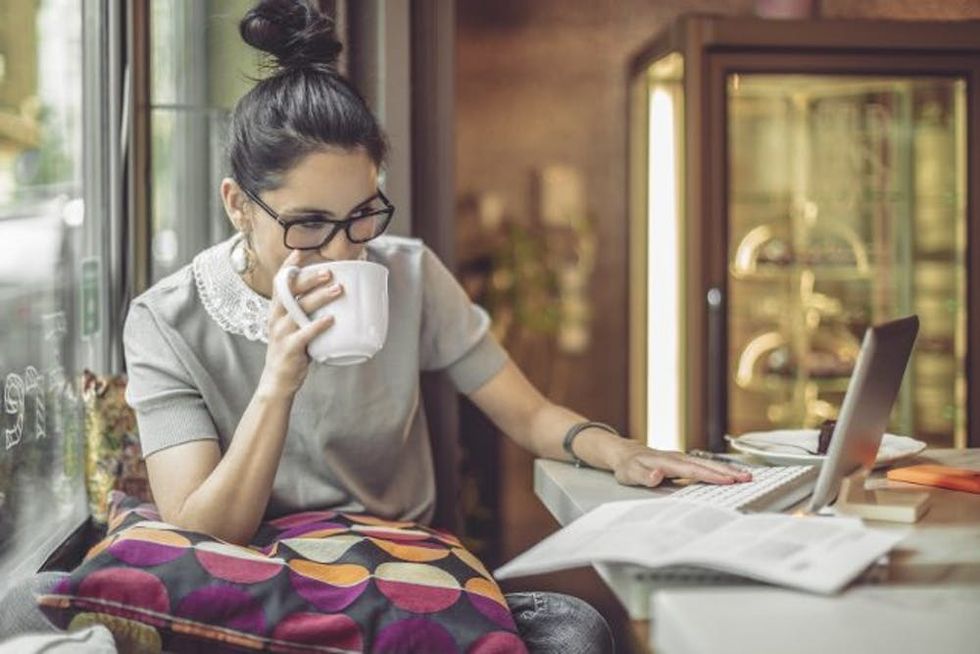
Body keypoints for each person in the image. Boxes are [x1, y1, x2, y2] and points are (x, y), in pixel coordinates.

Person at [121, 1, 751, 651]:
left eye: (363, 216)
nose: (343, 253)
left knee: (577, 630)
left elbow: (528, 415)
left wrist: (617, 449)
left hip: (399, 569)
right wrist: (278, 383)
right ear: (238, 206)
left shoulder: (409, 275)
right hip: (262, 581)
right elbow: (204, 531)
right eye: (308, 224)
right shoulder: (167, 322)